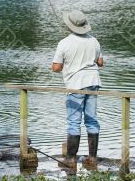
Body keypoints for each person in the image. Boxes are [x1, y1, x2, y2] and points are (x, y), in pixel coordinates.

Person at [52, 10, 103, 171]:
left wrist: (64, 65)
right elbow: (100, 62)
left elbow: (56, 67)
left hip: (75, 84)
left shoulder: (64, 43)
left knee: (74, 121)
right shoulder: (94, 41)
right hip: (93, 83)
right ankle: (92, 159)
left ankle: (71, 160)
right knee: (92, 120)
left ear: (69, 25)